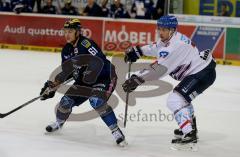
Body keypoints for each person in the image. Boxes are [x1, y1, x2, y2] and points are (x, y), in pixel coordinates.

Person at [122, 15, 216, 146]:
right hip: (202, 71)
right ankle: (190, 128)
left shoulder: (175, 46)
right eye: (159, 28)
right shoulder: (171, 38)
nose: (160, 32)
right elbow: (156, 47)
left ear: (172, 30)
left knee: (175, 99)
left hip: (201, 73)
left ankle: (189, 133)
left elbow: (159, 69)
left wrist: (136, 79)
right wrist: (138, 51)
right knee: (183, 98)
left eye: (164, 29)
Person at [40, 18, 127, 147]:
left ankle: (115, 130)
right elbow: (66, 72)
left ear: (77, 32)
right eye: (65, 31)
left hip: (104, 77)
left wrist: (83, 68)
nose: (67, 34)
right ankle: (59, 122)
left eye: (70, 31)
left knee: (96, 101)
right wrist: (53, 85)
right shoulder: (66, 50)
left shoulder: (86, 44)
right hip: (84, 80)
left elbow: (99, 61)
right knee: (65, 102)